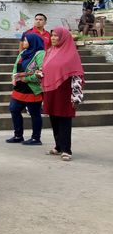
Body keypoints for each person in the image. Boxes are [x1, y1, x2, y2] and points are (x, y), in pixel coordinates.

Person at [39, 27, 84, 161]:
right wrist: (39, 74)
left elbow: (77, 76)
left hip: (65, 92)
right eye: (52, 35)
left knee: (64, 120)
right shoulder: (50, 51)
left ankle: (66, 150)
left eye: (56, 36)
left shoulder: (71, 54)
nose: (53, 38)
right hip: (51, 90)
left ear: (63, 37)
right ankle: (58, 146)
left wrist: (76, 96)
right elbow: (45, 69)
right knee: (54, 118)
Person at [6, 33, 46, 145]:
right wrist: (15, 75)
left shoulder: (40, 54)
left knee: (34, 113)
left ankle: (36, 138)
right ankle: (18, 135)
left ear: (33, 42)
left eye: (25, 40)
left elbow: (42, 72)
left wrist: (27, 78)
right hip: (19, 87)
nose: (23, 42)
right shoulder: (23, 53)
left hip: (32, 88)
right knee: (14, 109)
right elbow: (15, 66)